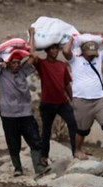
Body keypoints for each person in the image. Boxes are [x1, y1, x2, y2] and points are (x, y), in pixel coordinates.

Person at [0, 45, 49, 177]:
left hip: (25, 113)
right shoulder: (1, 73)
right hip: (8, 115)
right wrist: (0, 47)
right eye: (13, 63)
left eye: (18, 62)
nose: (16, 65)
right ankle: (18, 168)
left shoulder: (23, 71)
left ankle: (39, 167)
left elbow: (33, 56)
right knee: (13, 142)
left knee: (34, 139)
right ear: (8, 63)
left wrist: (25, 46)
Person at [62, 36, 103, 159]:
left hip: (99, 99)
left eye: (93, 53)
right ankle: (78, 150)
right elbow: (65, 51)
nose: (92, 56)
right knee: (83, 130)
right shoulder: (75, 59)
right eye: (89, 53)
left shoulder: (99, 57)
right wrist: (72, 40)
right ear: (83, 51)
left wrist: (102, 39)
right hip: (81, 100)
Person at [28, 26, 79, 163]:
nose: (55, 51)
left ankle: (76, 152)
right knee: (46, 130)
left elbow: (67, 84)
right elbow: (31, 54)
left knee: (73, 124)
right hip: (47, 104)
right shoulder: (42, 64)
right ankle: (44, 156)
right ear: (46, 50)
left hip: (62, 102)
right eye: (52, 48)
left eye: (57, 48)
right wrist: (31, 34)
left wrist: (73, 100)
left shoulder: (62, 65)